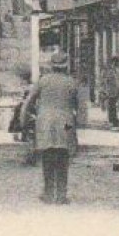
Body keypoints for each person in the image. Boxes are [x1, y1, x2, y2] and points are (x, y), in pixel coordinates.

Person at [21, 51, 84, 204]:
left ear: (52, 66)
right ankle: (61, 195)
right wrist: (79, 125)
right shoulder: (73, 83)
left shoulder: (42, 81)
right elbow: (81, 108)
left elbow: (28, 103)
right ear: (66, 66)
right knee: (63, 157)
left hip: (45, 123)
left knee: (47, 157)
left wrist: (23, 121)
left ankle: (48, 194)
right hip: (66, 123)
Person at [101, 56, 119, 129]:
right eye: (116, 62)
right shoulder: (110, 70)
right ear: (113, 62)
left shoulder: (115, 70)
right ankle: (112, 121)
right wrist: (106, 91)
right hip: (111, 91)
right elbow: (106, 81)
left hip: (115, 91)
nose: (117, 64)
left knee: (113, 106)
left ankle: (114, 119)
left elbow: (117, 80)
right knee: (111, 106)